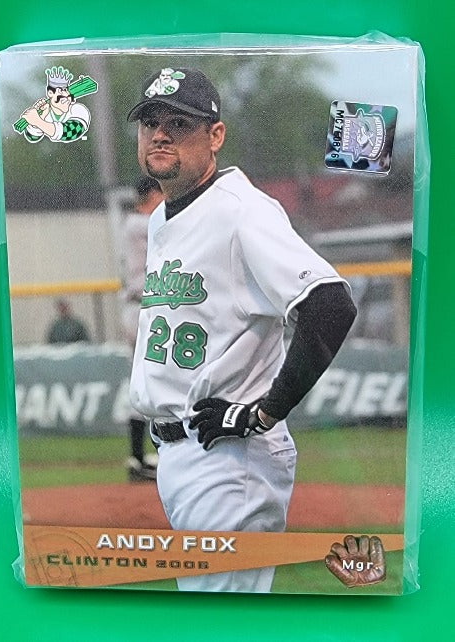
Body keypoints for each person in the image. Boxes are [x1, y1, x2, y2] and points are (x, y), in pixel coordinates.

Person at [127, 67, 357, 592]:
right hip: (183, 456)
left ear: (215, 136)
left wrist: (264, 411)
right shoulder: (162, 219)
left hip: (229, 461)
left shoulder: (241, 210)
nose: (160, 134)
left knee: (222, 620)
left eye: (179, 123)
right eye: (150, 122)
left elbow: (329, 304)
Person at [120, 177, 164, 481]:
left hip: (141, 308)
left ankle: (138, 457)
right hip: (140, 308)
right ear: (151, 194)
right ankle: (145, 456)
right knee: (154, 381)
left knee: (146, 383)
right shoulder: (140, 224)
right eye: (160, 192)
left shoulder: (135, 223)